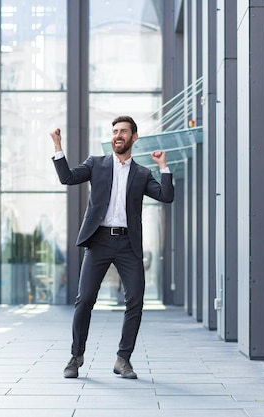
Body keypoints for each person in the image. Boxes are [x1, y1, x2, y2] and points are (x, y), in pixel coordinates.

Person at [49, 115, 174, 379]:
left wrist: (163, 166)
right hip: (99, 240)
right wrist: (58, 146)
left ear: (134, 137)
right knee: (84, 301)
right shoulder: (97, 164)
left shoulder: (142, 173)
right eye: (115, 131)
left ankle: (123, 359)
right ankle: (76, 356)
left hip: (128, 244)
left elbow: (166, 196)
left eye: (124, 131)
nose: (118, 135)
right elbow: (68, 178)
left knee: (136, 301)